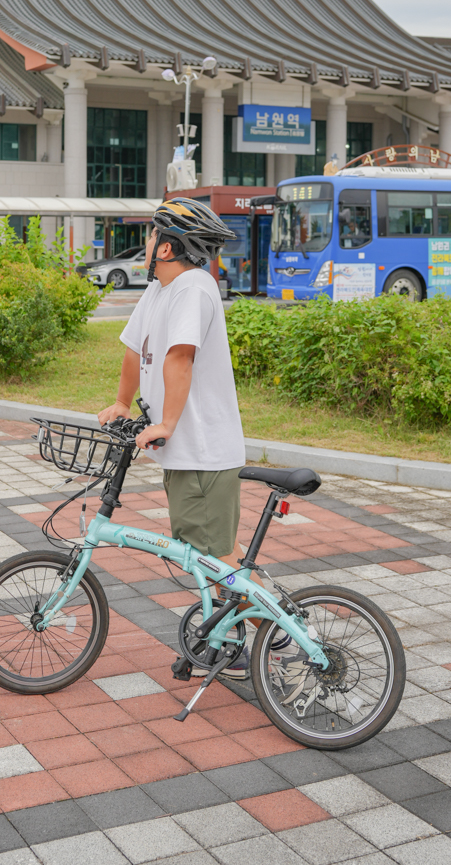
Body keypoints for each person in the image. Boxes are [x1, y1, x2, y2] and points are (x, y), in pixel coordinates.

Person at [98, 196, 296, 679]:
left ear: (167, 248)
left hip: (204, 449)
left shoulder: (193, 287)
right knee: (199, 553)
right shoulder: (158, 289)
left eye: (151, 235)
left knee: (215, 557)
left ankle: (276, 627)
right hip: (184, 453)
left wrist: (165, 422)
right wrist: (124, 405)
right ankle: (226, 634)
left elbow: (179, 356)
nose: (145, 244)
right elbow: (133, 349)